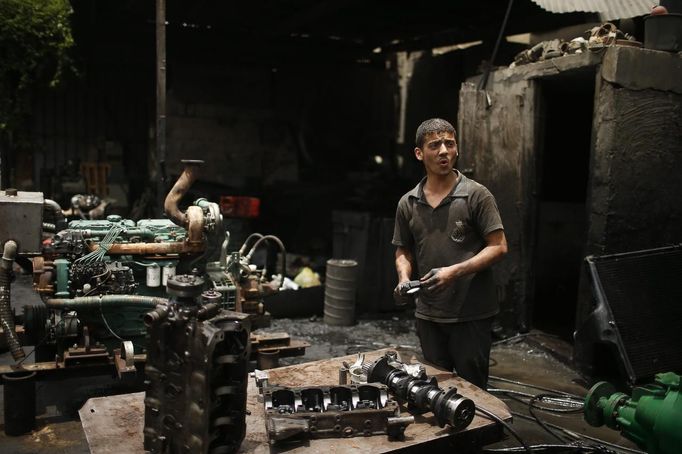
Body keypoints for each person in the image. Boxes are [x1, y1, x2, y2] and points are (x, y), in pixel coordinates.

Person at [392, 118, 508, 389]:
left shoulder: (476, 196)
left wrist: (454, 272)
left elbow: (499, 246)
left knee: (474, 391)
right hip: (429, 314)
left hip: (470, 314)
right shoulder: (408, 203)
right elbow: (403, 248)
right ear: (420, 154)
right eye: (435, 145)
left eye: (449, 144)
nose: (443, 151)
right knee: (435, 389)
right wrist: (403, 278)